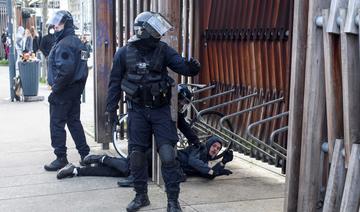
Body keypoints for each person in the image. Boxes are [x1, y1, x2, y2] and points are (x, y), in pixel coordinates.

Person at [106, 11, 200, 212]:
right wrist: (111, 110)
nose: (158, 33)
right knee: (137, 154)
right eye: (154, 29)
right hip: (137, 111)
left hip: (160, 110)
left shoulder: (163, 50)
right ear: (142, 31)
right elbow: (114, 84)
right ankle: (141, 196)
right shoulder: (123, 53)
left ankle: (173, 201)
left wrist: (192, 69)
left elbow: (181, 66)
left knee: (168, 154)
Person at [56, 136, 233, 181]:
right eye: (214, 146)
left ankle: (77, 171)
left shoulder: (205, 161)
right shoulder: (198, 150)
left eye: (218, 149)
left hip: (157, 168)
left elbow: (209, 175)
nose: (215, 149)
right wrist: (211, 168)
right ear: (208, 144)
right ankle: (100, 158)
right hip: (154, 159)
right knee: (126, 169)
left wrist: (223, 162)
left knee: (119, 173)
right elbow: (197, 165)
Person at [44, 10, 90, 172]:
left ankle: (60, 157)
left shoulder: (64, 44)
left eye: (60, 23)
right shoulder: (77, 42)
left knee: (57, 123)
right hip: (74, 90)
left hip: (63, 91)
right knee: (74, 122)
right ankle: (85, 155)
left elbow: (66, 70)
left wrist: (56, 89)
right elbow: (83, 69)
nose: (56, 26)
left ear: (67, 25)